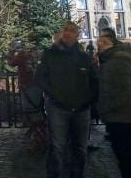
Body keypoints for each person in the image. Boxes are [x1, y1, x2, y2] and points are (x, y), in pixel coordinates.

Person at [36, 21, 98, 178]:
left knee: (80, 148)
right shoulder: (50, 54)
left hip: (81, 109)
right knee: (57, 147)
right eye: (65, 30)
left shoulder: (84, 57)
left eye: (71, 30)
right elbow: (40, 77)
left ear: (77, 35)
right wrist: (54, 94)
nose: (67, 33)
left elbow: (94, 81)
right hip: (58, 107)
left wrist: (88, 100)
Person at [97, 34, 131, 178]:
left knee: (126, 157)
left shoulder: (117, 62)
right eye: (99, 42)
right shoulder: (109, 61)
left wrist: (105, 108)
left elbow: (126, 90)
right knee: (124, 156)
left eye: (104, 42)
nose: (100, 45)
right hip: (118, 116)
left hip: (124, 116)